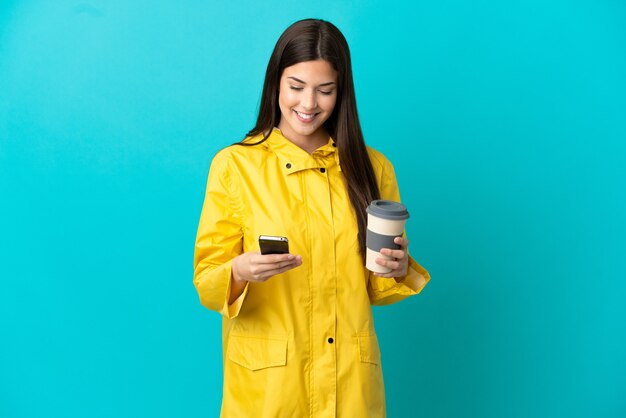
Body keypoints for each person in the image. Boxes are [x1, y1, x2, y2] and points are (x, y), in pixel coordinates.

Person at [193, 18, 430, 417]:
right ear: (276, 84)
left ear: (342, 93)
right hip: (270, 389)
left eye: (325, 91)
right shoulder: (236, 167)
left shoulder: (373, 168)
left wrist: (398, 267)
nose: (308, 104)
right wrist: (239, 270)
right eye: (296, 87)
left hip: (349, 385)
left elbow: (377, 289)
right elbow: (207, 282)